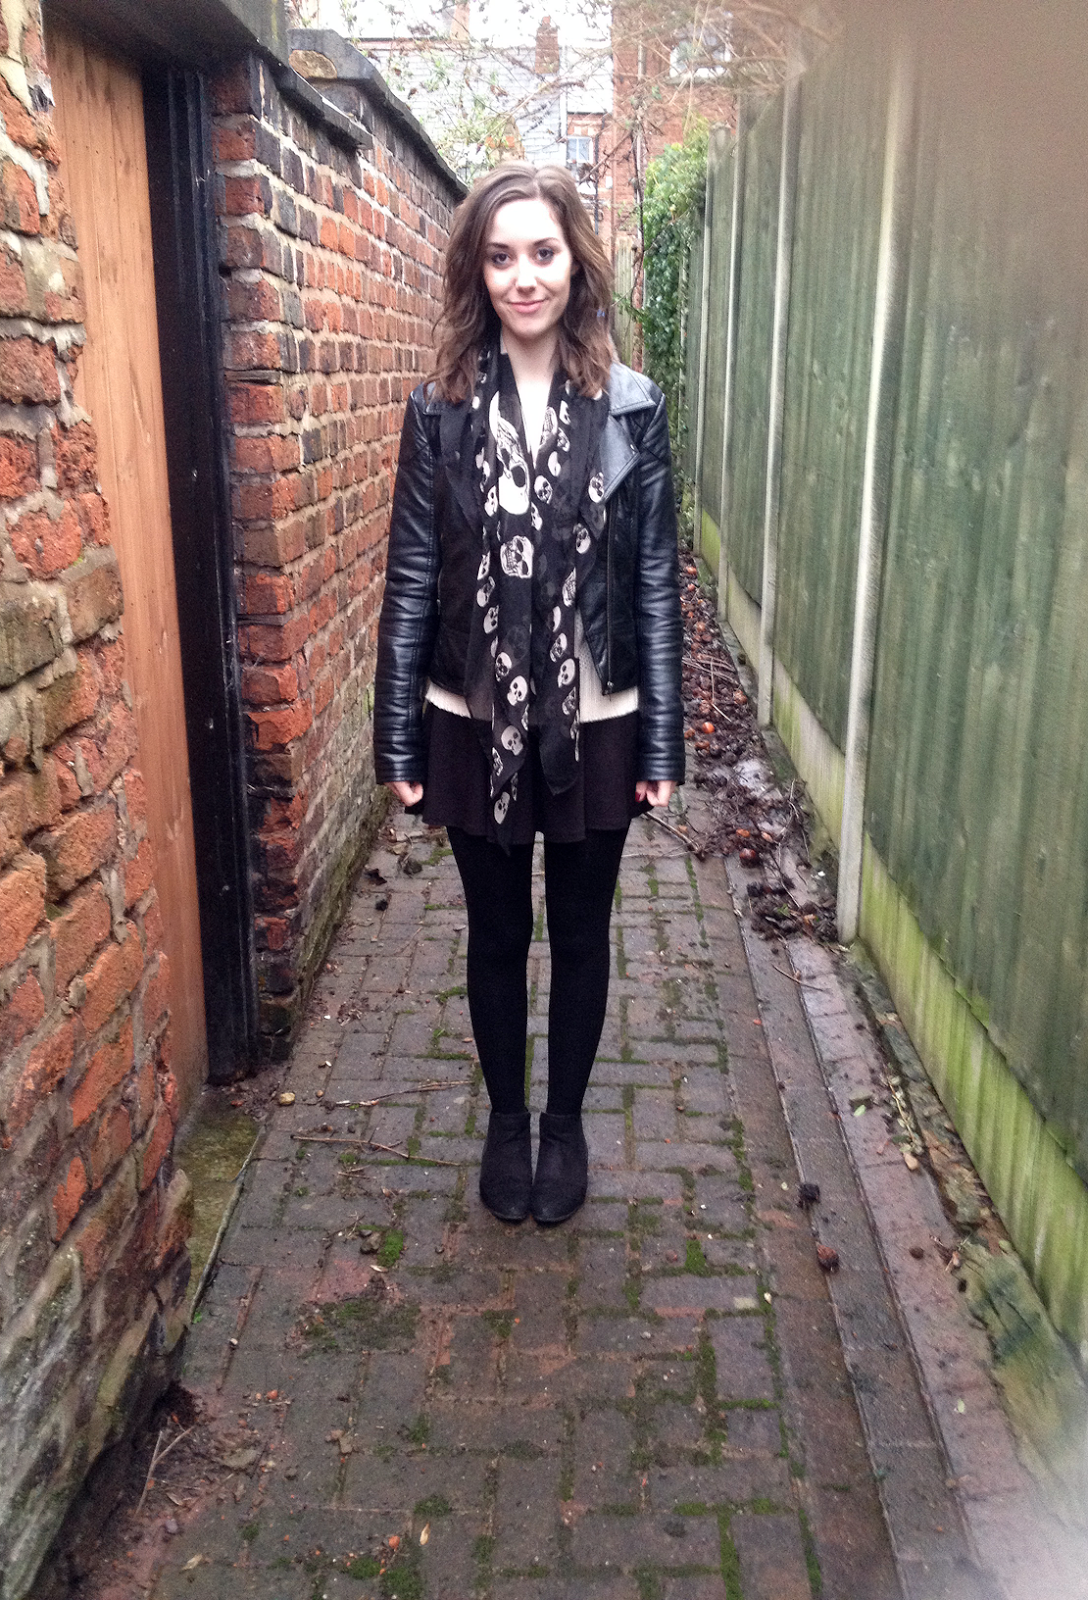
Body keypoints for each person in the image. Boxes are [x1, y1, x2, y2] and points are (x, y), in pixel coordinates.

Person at [374, 161, 683, 1226]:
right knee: (498, 932)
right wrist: (398, 739)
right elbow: (412, 574)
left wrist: (661, 743)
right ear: (478, 271)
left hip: (599, 719)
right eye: (501, 257)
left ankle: (566, 1122)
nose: (524, 277)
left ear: (574, 261)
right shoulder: (439, 410)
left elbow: (653, 579)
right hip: (474, 719)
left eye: (542, 252)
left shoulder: (632, 407)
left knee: (583, 933)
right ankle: (507, 1122)